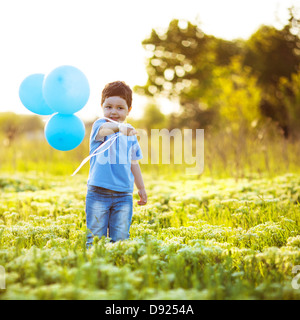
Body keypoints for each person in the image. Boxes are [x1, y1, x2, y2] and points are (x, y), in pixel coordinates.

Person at [85, 81, 147, 247]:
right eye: (109, 107)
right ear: (102, 107)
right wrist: (119, 128)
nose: (113, 111)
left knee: (120, 240)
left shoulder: (130, 132)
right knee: (95, 239)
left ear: (129, 110)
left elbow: (134, 163)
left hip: (123, 195)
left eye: (120, 108)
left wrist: (141, 188)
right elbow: (105, 130)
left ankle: (115, 269)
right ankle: (95, 270)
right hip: (98, 192)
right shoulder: (100, 125)